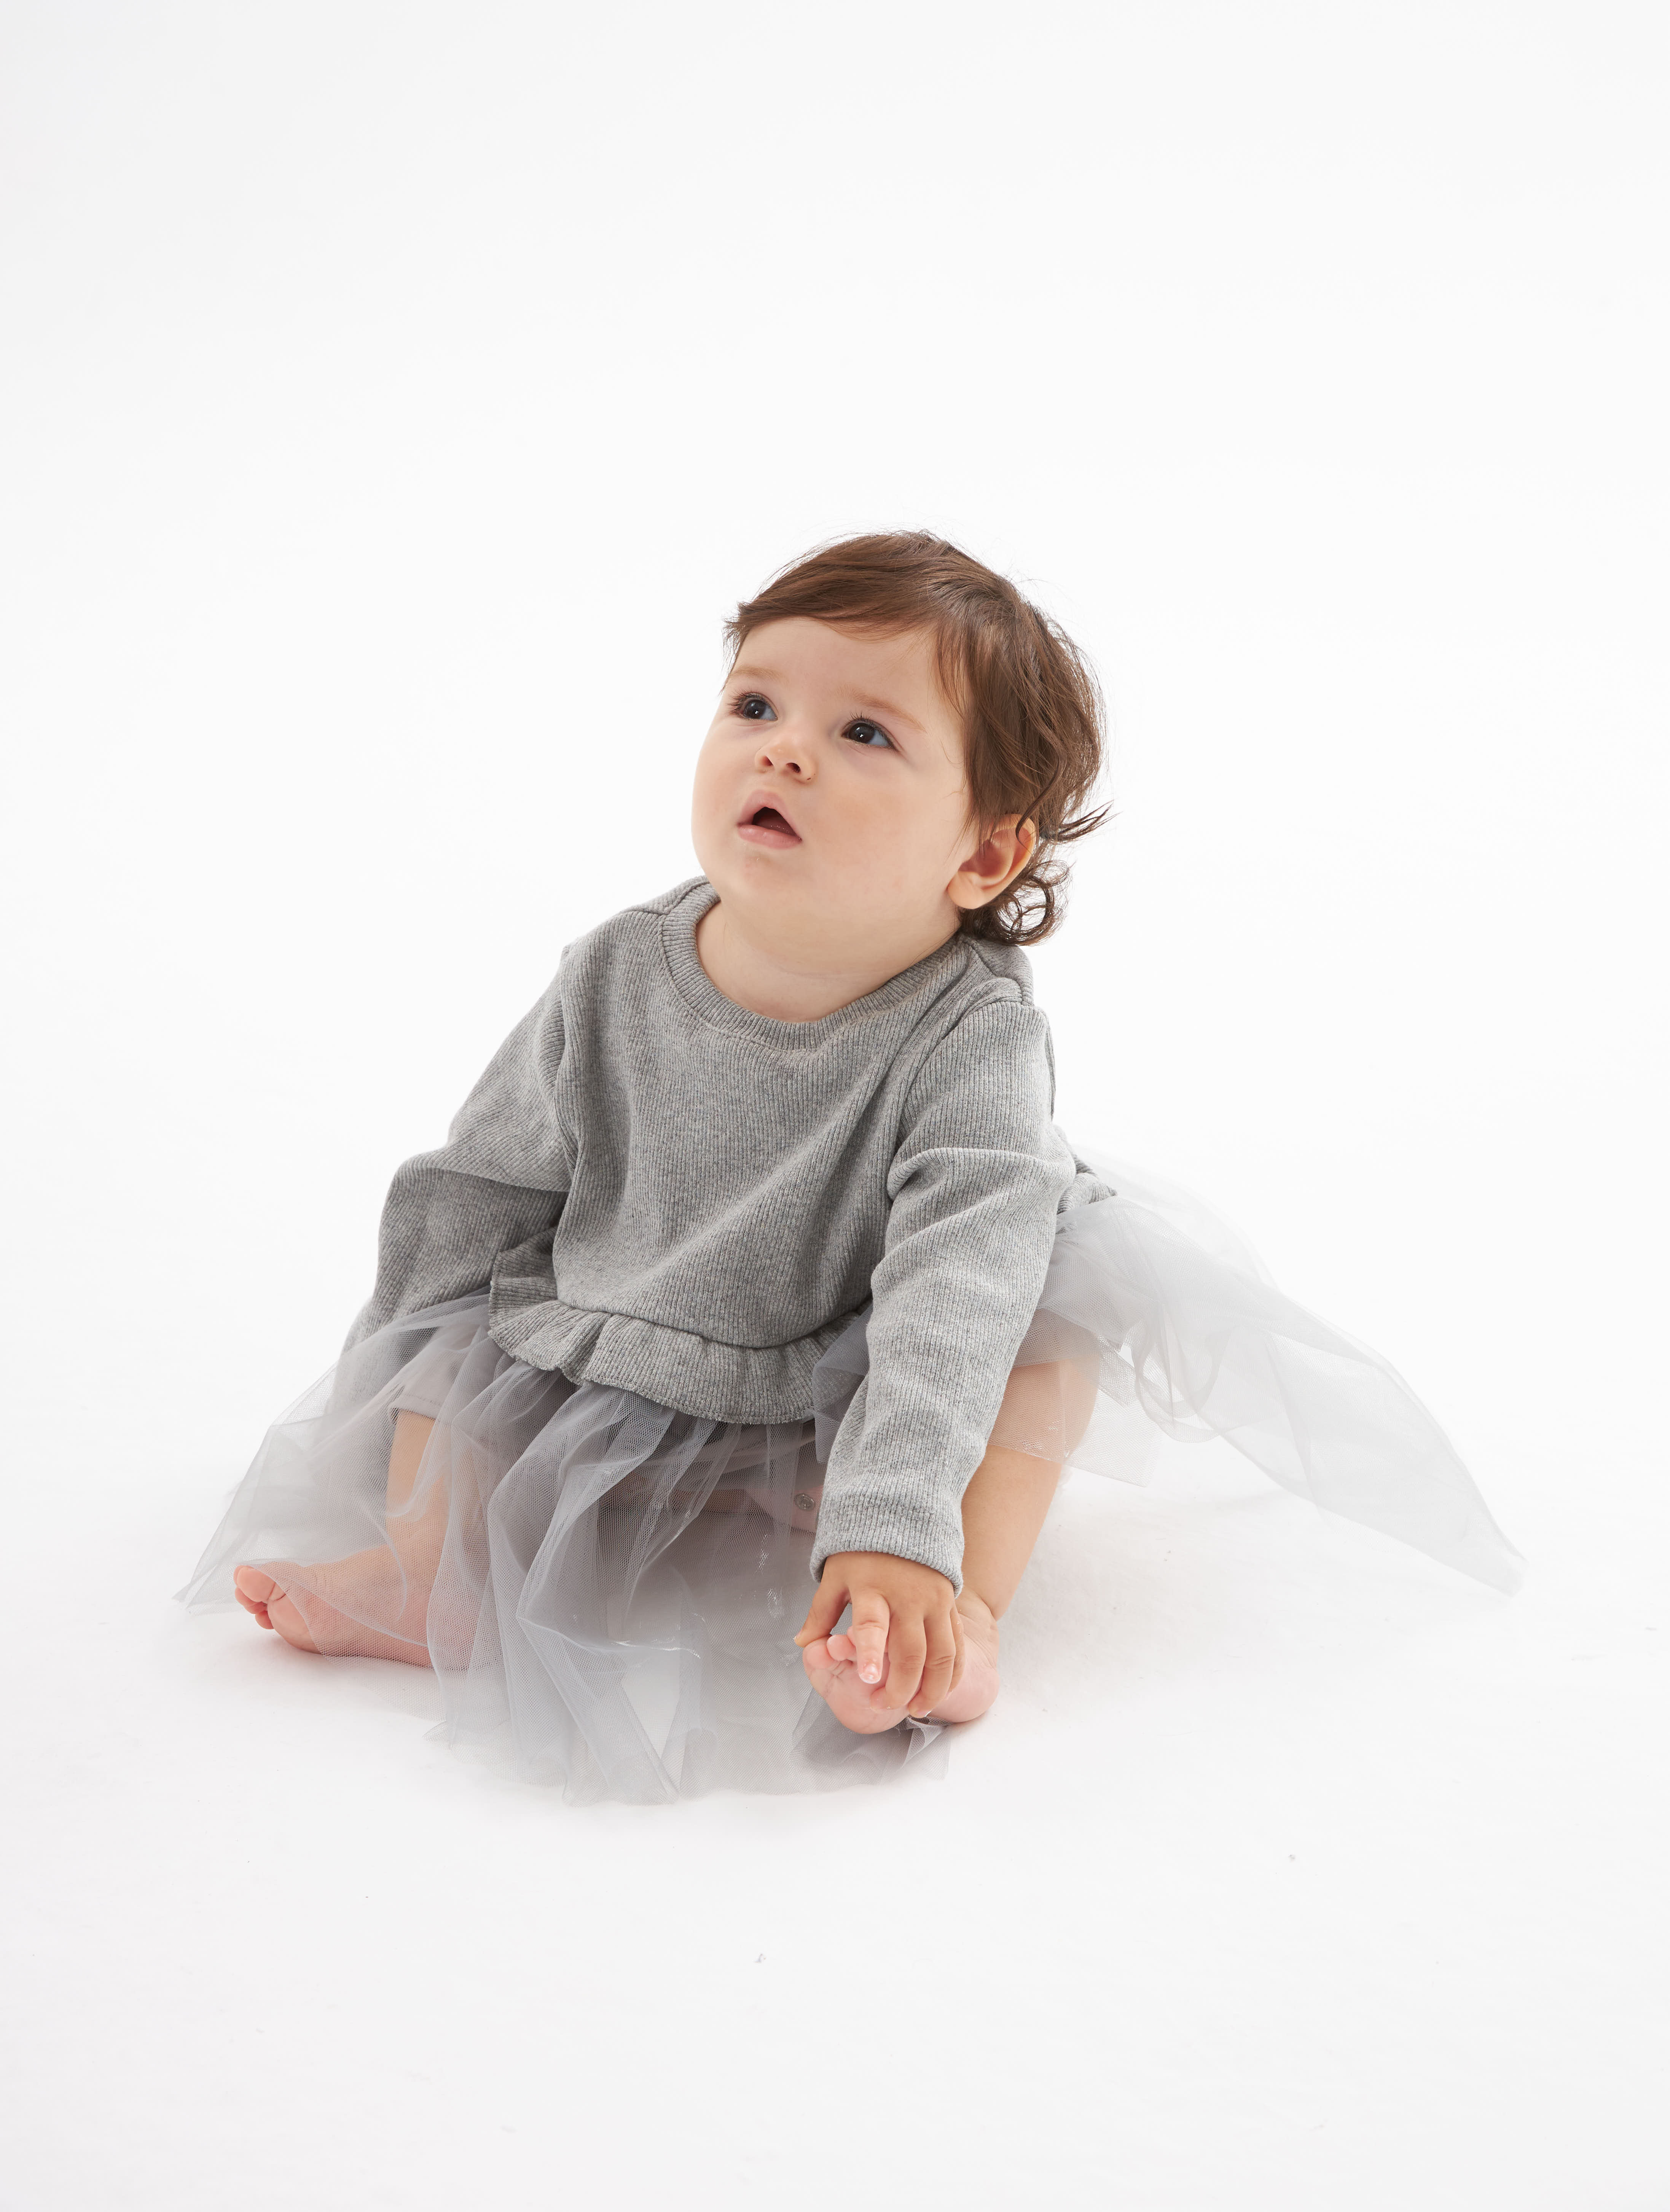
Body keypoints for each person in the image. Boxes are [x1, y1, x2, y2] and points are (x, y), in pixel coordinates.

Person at [179, 532, 1520, 1803]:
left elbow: (954, 1290)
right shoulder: (613, 972)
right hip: (632, 1314)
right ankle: (434, 1574)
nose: (785, 751)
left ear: (982, 853)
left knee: (1039, 1334)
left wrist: (890, 1513)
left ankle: (954, 1609)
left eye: (863, 733)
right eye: (755, 706)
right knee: (460, 1313)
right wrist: (385, 1378)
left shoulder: (971, 1039)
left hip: (857, 1357)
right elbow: (481, 1184)